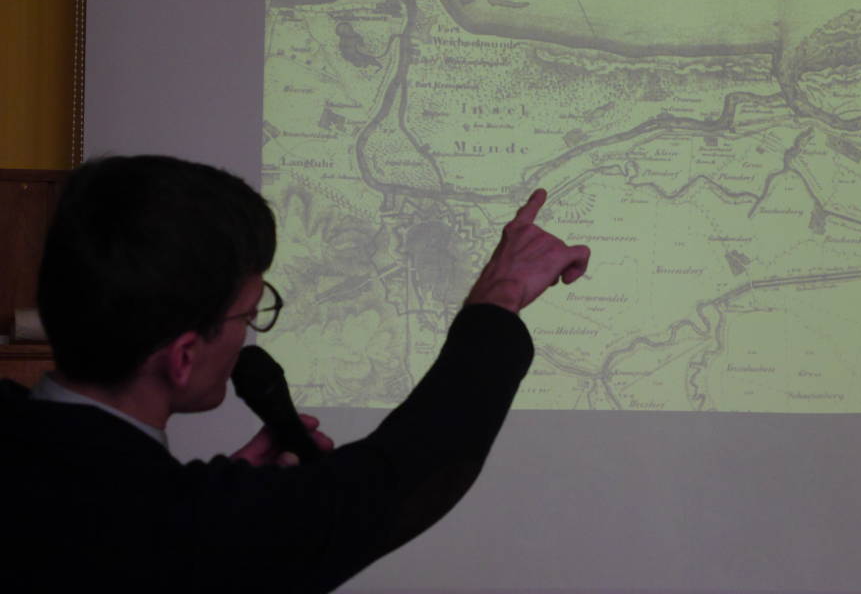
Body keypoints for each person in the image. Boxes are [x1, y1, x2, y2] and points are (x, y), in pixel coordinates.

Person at [0, 155, 589, 593]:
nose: (248, 335)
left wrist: (225, 494)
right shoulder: (177, 530)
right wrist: (500, 297)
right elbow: (406, 476)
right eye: (248, 315)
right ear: (182, 357)